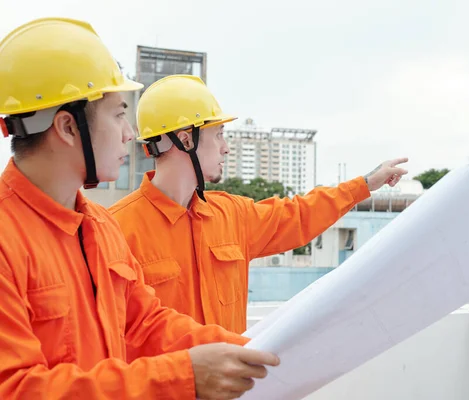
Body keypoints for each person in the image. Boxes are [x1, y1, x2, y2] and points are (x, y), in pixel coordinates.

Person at [0, 18, 278, 400]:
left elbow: (145, 323)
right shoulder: (6, 240)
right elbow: (14, 389)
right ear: (67, 126)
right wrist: (181, 376)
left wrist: (249, 351)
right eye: (118, 115)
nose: (130, 134)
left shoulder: (98, 226)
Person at [109, 74, 409, 335]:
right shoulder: (116, 230)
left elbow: (299, 214)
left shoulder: (232, 216)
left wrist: (365, 184)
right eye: (219, 135)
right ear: (186, 139)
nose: (226, 147)